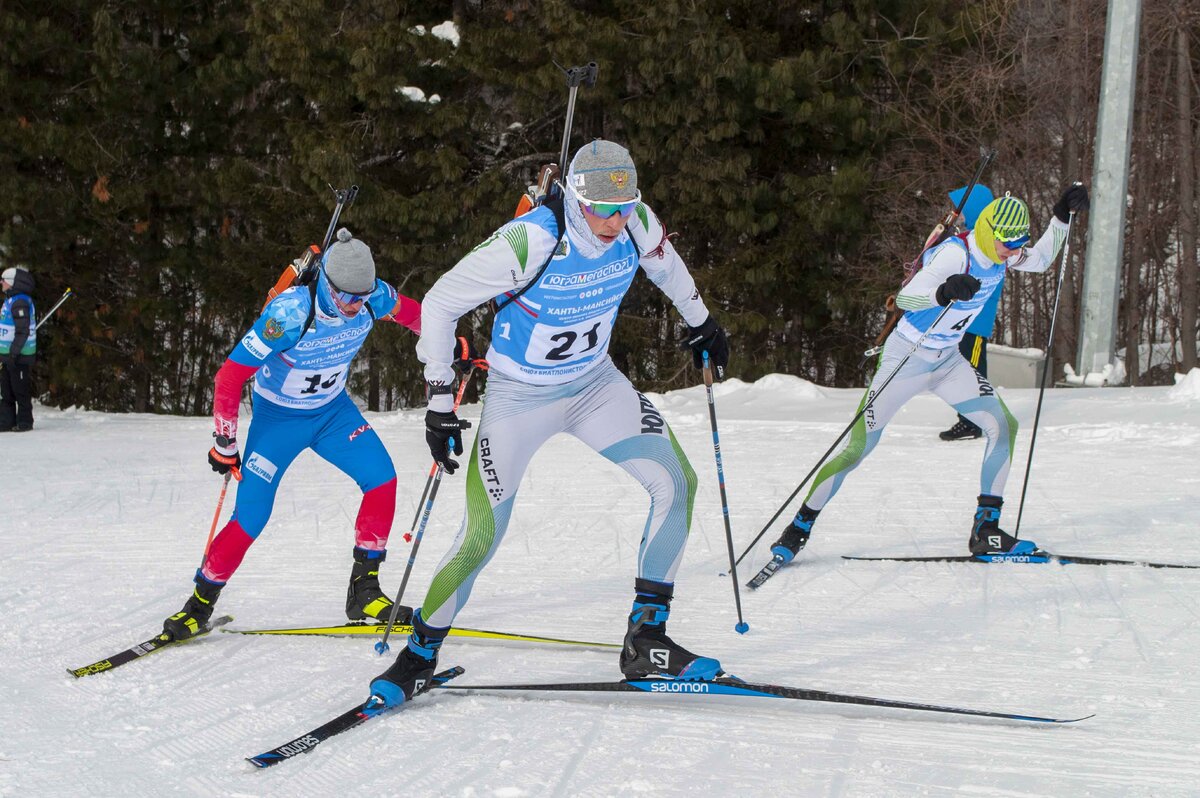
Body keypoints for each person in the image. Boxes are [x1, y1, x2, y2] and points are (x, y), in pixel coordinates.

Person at [369, 140, 732, 706]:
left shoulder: (634, 221)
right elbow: (440, 303)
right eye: (602, 209)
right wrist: (440, 402)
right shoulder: (532, 239)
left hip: (595, 385)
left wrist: (702, 321)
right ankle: (418, 656)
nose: (615, 221)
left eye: (624, 206)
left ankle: (647, 640)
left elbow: (666, 265)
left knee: (677, 483)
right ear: (577, 198)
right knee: (482, 534)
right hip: (519, 399)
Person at [767, 183, 1090, 563]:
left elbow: (1040, 259)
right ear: (988, 233)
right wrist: (942, 292)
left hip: (947, 361)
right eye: (1008, 245)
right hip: (907, 358)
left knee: (1003, 427)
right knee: (858, 447)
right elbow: (905, 298)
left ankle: (986, 529)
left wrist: (1060, 216)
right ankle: (799, 527)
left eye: (1018, 245)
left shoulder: (1003, 254)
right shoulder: (956, 255)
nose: (1014, 253)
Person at [161, 229, 428, 640]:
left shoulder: (373, 297)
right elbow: (230, 377)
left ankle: (364, 591)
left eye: (363, 296)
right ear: (327, 284)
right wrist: (224, 443)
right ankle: (198, 606)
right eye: (348, 298)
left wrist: (453, 343)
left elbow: (418, 316)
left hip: (333, 415)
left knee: (383, 480)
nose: (357, 306)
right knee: (251, 517)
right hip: (278, 422)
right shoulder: (288, 314)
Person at [939, 184, 999, 441]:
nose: (957, 214)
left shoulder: (985, 243)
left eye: (961, 209)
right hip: (964, 319)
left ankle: (972, 422)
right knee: (962, 368)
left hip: (975, 321)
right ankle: (969, 418)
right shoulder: (970, 238)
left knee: (972, 369)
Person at [0, 266, 37, 432]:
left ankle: (25, 421)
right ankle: (7, 421)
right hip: (7, 355)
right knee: (6, 390)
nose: (1, 282)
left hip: (18, 355)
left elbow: (23, 331)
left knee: (19, 389)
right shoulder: (10, 300)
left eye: (4, 280)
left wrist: (14, 353)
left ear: (12, 283)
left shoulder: (20, 301)